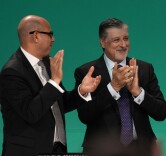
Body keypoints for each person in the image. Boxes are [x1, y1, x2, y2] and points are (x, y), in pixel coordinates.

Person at [0, 15, 101, 156]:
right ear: (35, 36)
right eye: (50, 34)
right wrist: (54, 81)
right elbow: (30, 113)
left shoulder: (47, 63)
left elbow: (60, 104)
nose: (53, 39)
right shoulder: (12, 72)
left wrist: (81, 91)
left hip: (57, 149)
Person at [74, 18, 166, 156]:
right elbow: (85, 115)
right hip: (102, 150)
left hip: (142, 150)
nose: (123, 44)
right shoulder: (88, 72)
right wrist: (113, 88)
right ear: (102, 42)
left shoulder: (144, 69)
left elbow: (161, 113)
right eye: (116, 40)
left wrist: (137, 92)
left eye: (126, 38)